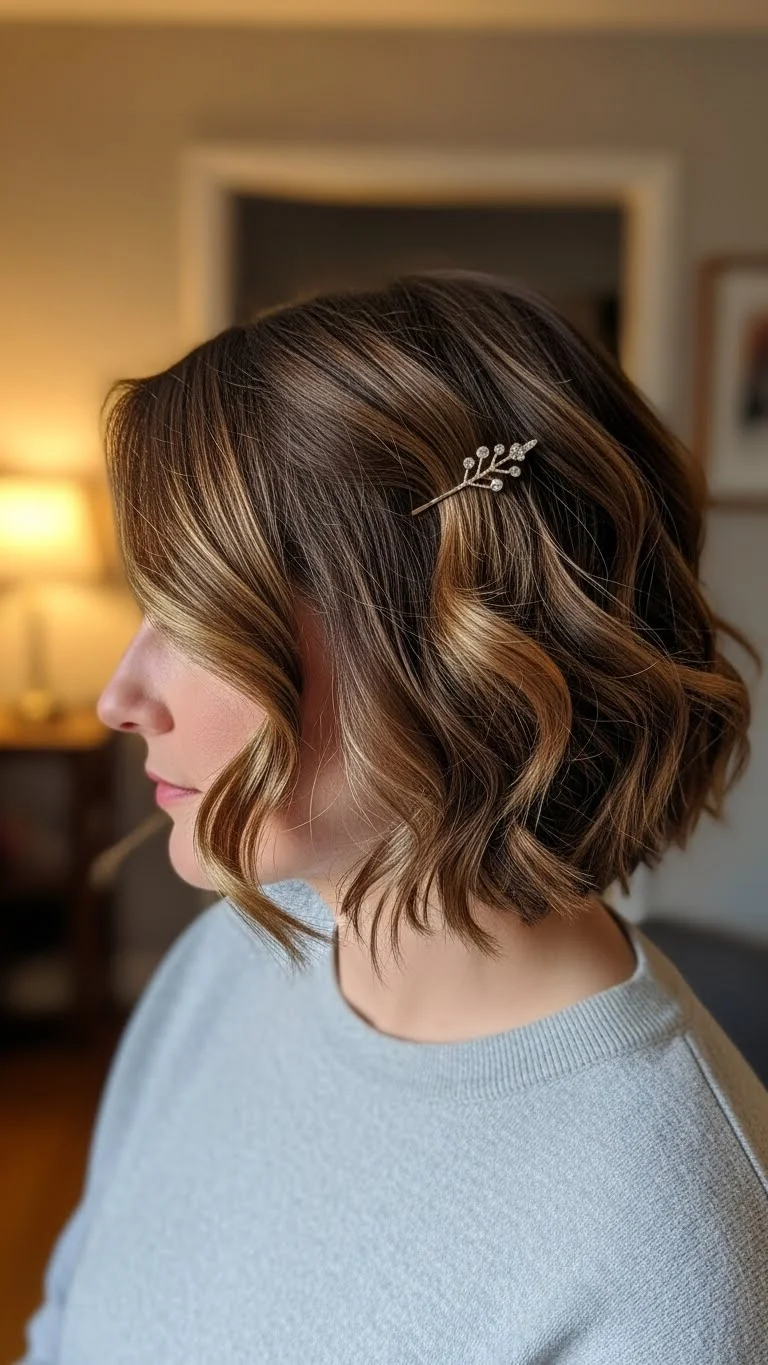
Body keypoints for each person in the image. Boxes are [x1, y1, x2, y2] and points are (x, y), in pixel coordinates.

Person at [19, 268, 768, 1364]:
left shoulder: (668, 1251)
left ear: (454, 648)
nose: (121, 697)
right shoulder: (236, 953)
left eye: (204, 619)